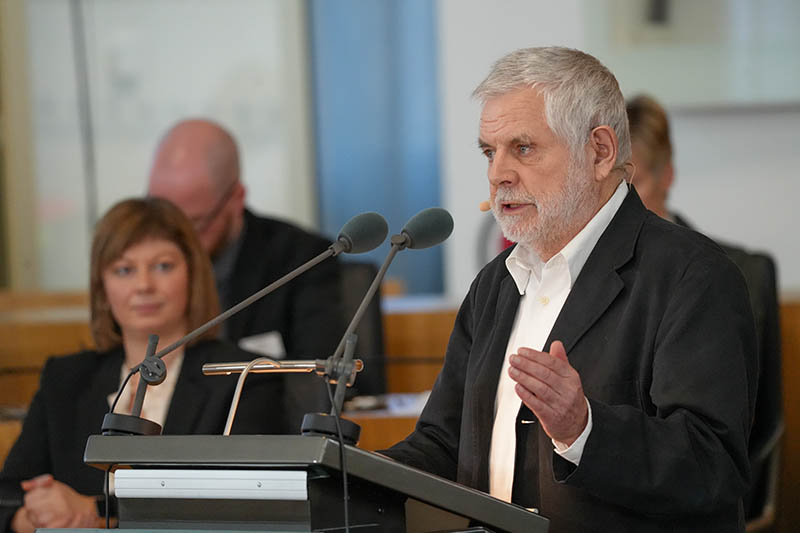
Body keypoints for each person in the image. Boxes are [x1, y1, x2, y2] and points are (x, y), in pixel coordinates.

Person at [382, 47, 758, 531]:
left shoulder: (693, 277)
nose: (498, 173)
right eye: (488, 152)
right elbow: (443, 443)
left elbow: (713, 466)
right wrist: (346, 476)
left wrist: (585, 429)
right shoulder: (495, 284)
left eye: (522, 148)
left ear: (600, 152)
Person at [0, 198, 289, 532]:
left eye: (163, 266)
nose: (143, 286)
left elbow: (247, 502)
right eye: (124, 270)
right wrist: (34, 516)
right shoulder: (65, 380)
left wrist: (95, 511)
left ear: (193, 276)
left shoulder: (245, 375)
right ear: (102, 287)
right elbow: (8, 496)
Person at [627, 94, 782, 521]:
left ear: (667, 176)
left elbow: (762, 420)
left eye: (635, 184)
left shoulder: (736, 274)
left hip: (702, 503)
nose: (624, 205)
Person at [147, 119, 344, 420]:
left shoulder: (301, 260)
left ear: (236, 199)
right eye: (160, 216)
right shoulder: (141, 265)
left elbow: (317, 383)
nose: (175, 237)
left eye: (193, 223)